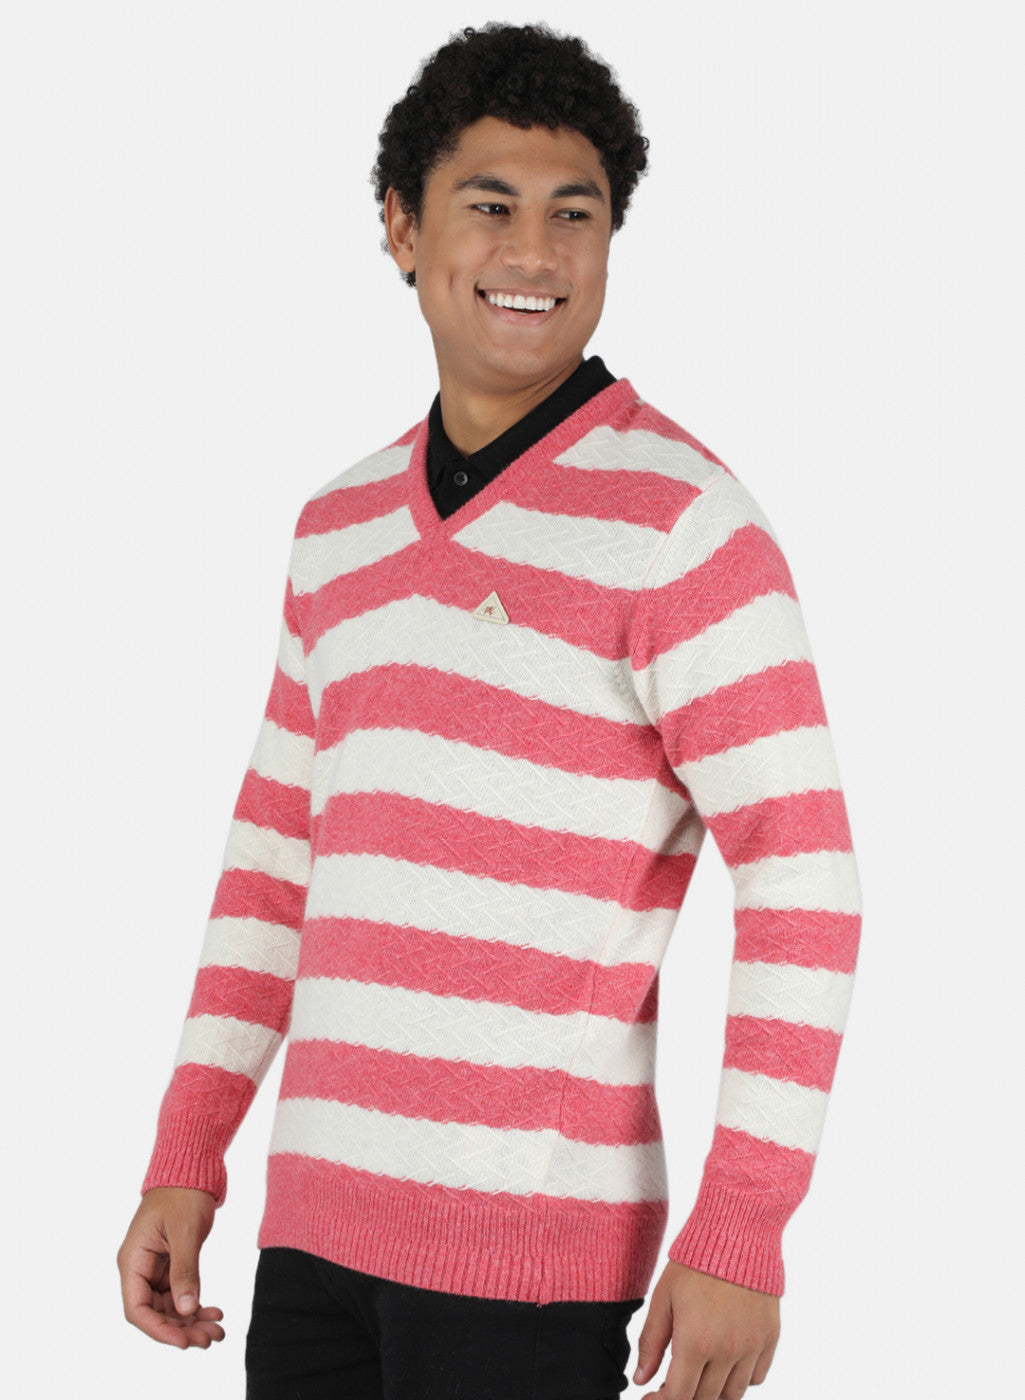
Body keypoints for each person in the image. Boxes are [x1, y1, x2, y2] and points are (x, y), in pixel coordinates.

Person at [117, 22, 862, 1400]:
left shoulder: (685, 527)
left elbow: (804, 880)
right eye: (490, 205)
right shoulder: (336, 529)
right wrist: (188, 1152)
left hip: (530, 1265)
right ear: (402, 228)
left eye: (575, 214)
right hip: (312, 1235)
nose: (536, 252)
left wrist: (742, 1228)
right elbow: (274, 864)